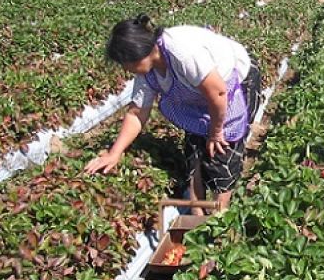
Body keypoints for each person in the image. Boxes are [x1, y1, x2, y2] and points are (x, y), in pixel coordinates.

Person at [84, 14, 261, 214]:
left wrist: (216, 131)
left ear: (138, 54)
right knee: (195, 150)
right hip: (202, 93)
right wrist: (114, 153)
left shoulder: (182, 53)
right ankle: (198, 218)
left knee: (222, 150)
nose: (125, 69)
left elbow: (219, 93)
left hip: (232, 83)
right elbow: (136, 114)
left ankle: (220, 218)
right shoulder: (146, 72)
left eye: (126, 64)